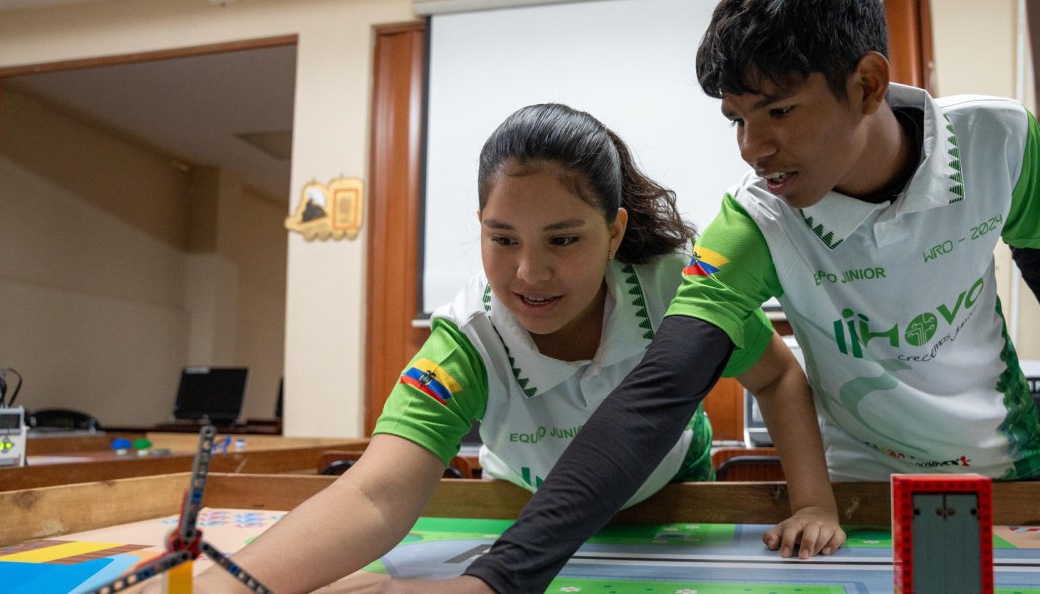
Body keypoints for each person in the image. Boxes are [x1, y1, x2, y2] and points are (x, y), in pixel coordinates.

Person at [388, 0, 1040, 594]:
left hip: (1003, 466)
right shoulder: (754, 219)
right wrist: (497, 578)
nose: (751, 147)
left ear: (867, 84)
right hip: (858, 483)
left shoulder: (999, 138)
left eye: (777, 111)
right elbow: (658, 391)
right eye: (736, 118)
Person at [195, 103, 843, 593]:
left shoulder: (678, 284)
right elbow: (375, 494)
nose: (530, 273)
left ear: (616, 230)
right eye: (503, 239)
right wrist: (225, 585)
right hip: (524, 524)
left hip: (673, 502)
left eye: (563, 240)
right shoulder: (468, 337)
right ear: (479, 227)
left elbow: (779, 376)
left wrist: (813, 501)